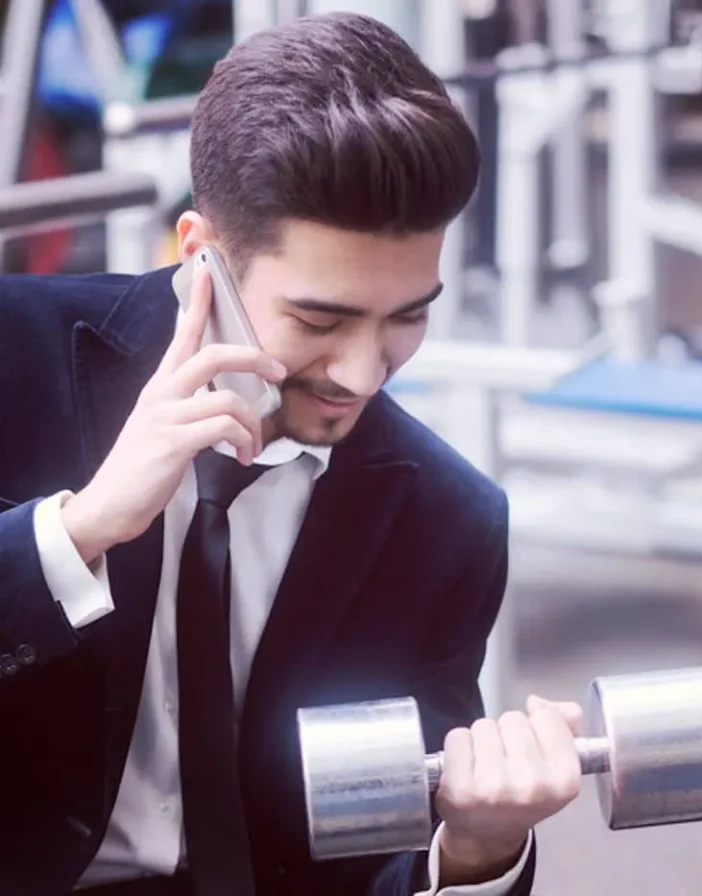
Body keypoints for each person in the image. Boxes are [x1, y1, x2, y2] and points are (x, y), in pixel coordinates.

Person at [0, 12, 583, 896]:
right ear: (201, 255)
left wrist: (476, 853)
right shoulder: (15, 359)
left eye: (408, 316)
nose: (360, 373)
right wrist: (79, 531)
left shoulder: (447, 521)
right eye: (320, 319)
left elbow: (375, 861)